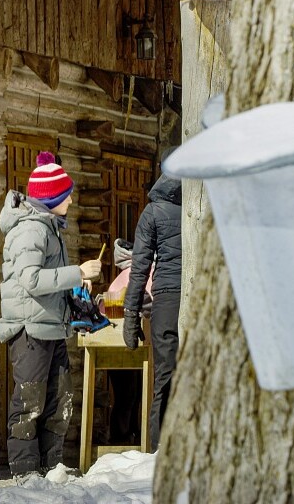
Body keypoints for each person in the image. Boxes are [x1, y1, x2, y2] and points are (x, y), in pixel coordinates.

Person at [0, 152, 102, 476]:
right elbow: (30, 280)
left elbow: (47, 279)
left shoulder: (49, 228)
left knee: (59, 400)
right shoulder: (31, 230)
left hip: (51, 326)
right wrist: (76, 271)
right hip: (30, 329)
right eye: (66, 193)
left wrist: (78, 290)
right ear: (52, 197)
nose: (71, 199)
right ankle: (26, 471)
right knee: (29, 402)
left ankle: (51, 465)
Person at [122, 173, 181, 452]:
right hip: (198, 296)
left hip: (167, 300)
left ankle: (159, 452)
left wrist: (131, 315)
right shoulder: (203, 204)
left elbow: (139, 269)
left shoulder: (153, 212)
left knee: (165, 378)